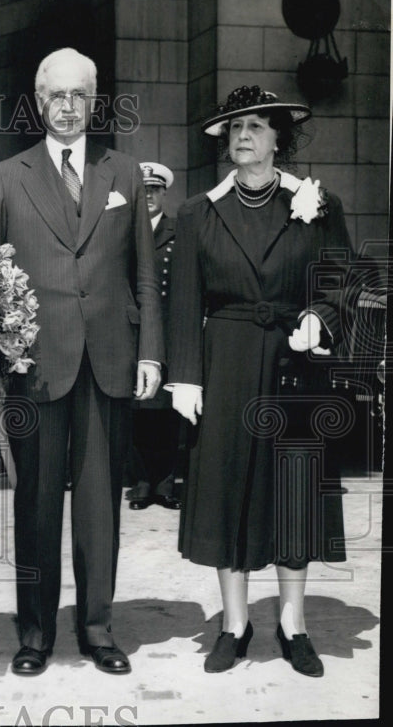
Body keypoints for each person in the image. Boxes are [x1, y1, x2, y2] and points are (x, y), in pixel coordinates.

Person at [0, 48, 162, 676]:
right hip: (33, 363)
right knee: (35, 502)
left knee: (100, 502)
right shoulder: (5, 177)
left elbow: (143, 274)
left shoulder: (124, 173)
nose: (67, 106)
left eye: (78, 95)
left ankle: (98, 628)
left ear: (94, 101)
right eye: (56, 95)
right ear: (38, 102)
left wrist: (152, 353)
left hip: (109, 359)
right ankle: (34, 634)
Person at [168, 85, 351, 677]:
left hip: (294, 366)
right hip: (225, 363)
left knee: (292, 492)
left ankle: (294, 624)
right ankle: (235, 624)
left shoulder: (318, 203)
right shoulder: (198, 212)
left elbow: (341, 284)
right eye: (234, 127)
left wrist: (319, 318)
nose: (242, 135)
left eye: (256, 126)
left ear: (278, 138)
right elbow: (184, 302)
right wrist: (185, 378)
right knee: (228, 490)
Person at [125, 162, 185, 511]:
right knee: (138, 411)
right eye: (143, 190)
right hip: (134, 332)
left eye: (155, 190)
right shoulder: (124, 231)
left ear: (164, 193)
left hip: (169, 332)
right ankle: (142, 483)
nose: (149, 195)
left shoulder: (179, 231)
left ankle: (165, 484)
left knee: (167, 413)